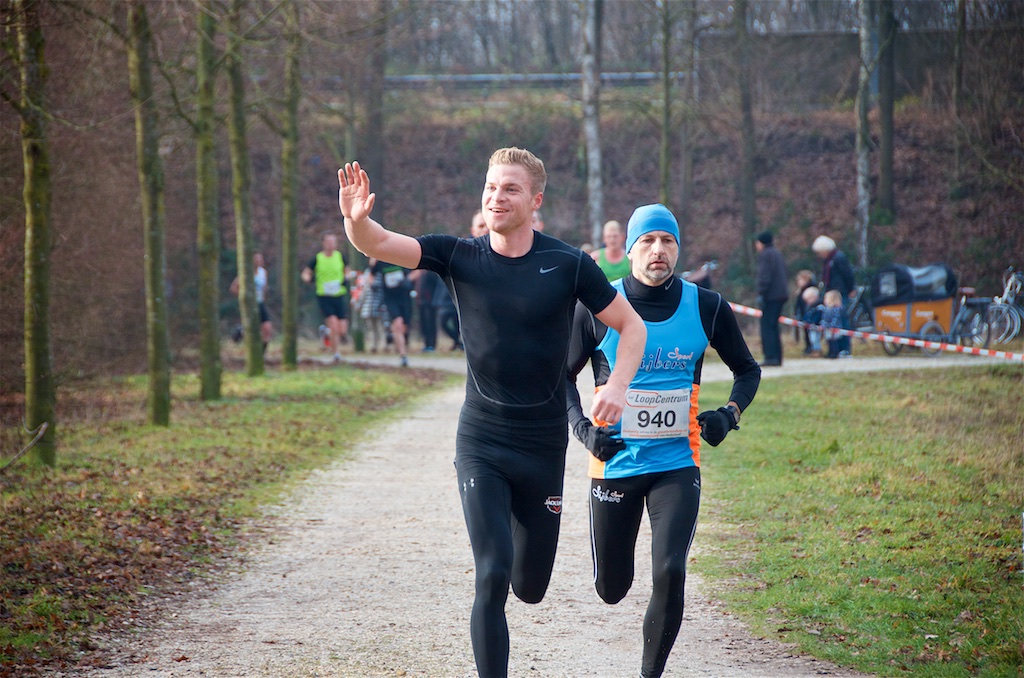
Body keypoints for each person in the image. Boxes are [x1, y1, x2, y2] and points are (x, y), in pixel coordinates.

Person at [338, 147, 646, 678]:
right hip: (482, 440)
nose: (496, 197)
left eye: (510, 189)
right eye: (490, 187)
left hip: (542, 445)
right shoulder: (458, 255)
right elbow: (381, 243)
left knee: (529, 587)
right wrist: (356, 222)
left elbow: (632, 326)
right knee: (491, 573)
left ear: (535, 200)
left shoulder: (569, 264)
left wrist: (617, 385)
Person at [566, 203, 761, 678]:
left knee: (671, 571)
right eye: (648, 241)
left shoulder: (707, 306)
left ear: (678, 248)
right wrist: (585, 431)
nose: (659, 250)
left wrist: (729, 414)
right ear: (630, 249)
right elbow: (559, 378)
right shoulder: (599, 305)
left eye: (668, 241)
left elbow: (747, 370)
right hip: (614, 462)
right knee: (611, 588)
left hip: (677, 462)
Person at [301, 233, 349, 363]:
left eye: (333, 242)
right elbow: (306, 273)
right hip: (324, 295)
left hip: (339, 294)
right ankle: (336, 354)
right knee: (333, 325)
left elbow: (347, 270)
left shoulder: (340, 257)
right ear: (323, 243)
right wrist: (308, 278)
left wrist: (347, 277)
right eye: (328, 242)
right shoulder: (317, 258)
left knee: (342, 330)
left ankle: (326, 333)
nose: (331, 244)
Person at [812, 235, 855, 356]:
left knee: (841, 319)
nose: (819, 255)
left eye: (820, 252)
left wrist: (851, 288)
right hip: (831, 292)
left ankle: (845, 348)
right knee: (832, 321)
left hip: (840, 293)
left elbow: (848, 274)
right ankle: (834, 349)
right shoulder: (829, 260)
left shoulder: (839, 258)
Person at [369, 258, 412, 366]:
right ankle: (403, 356)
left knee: (404, 327)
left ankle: (395, 338)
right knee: (398, 323)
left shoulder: (402, 257)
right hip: (390, 298)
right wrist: (372, 284)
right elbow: (371, 274)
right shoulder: (381, 261)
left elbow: (418, 271)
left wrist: (408, 279)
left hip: (404, 297)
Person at [754, 230, 788, 367]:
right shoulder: (776, 253)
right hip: (780, 294)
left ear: (761, 243)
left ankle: (770, 356)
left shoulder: (766, 255)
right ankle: (777, 356)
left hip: (771, 295)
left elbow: (765, 275)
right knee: (774, 326)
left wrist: (761, 292)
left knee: (767, 326)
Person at [230, 252, 273, 355]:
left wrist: (264, 295)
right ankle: (240, 334)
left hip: (260, 302)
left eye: (260, 259)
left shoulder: (263, 272)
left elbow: (264, 288)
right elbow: (234, 288)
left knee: (267, 327)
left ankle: (262, 353)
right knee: (251, 328)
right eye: (256, 259)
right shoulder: (246, 273)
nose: (259, 261)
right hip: (250, 304)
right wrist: (244, 296)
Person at [792, 269, 817, 353]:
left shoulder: (810, 290)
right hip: (803, 314)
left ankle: (813, 347)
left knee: (811, 333)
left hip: (809, 314)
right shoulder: (800, 291)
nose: (798, 282)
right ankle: (808, 346)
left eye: (800, 280)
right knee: (805, 332)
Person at [820, 289, 848, 358]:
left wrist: (832, 327)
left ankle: (834, 353)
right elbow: (825, 319)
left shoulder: (836, 310)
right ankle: (830, 352)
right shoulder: (827, 309)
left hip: (834, 328)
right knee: (829, 341)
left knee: (834, 341)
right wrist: (823, 325)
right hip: (828, 328)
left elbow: (835, 319)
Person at [801, 285, 824, 356]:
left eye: (808, 299)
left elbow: (818, 316)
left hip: (817, 326)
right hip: (811, 327)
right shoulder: (810, 307)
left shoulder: (819, 307)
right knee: (812, 339)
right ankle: (814, 350)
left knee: (815, 339)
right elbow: (807, 315)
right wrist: (805, 321)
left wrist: (814, 322)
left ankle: (817, 350)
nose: (807, 302)